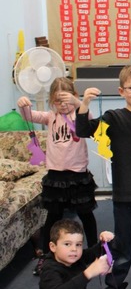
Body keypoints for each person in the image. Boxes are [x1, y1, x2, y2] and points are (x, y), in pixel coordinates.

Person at [75, 66, 131, 289]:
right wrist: (85, 103)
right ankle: (115, 288)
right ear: (122, 91)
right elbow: (83, 130)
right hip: (125, 192)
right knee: (122, 245)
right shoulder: (113, 117)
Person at [17, 77, 98, 276]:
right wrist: (23, 105)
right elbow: (29, 116)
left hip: (78, 174)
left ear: (74, 97)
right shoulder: (50, 117)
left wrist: (79, 103)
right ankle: (46, 256)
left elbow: (90, 120)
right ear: (51, 100)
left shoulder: (80, 114)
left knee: (86, 215)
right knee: (53, 217)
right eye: (57, 100)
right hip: (55, 176)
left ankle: (95, 253)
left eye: (66, 100)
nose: (62, 105)